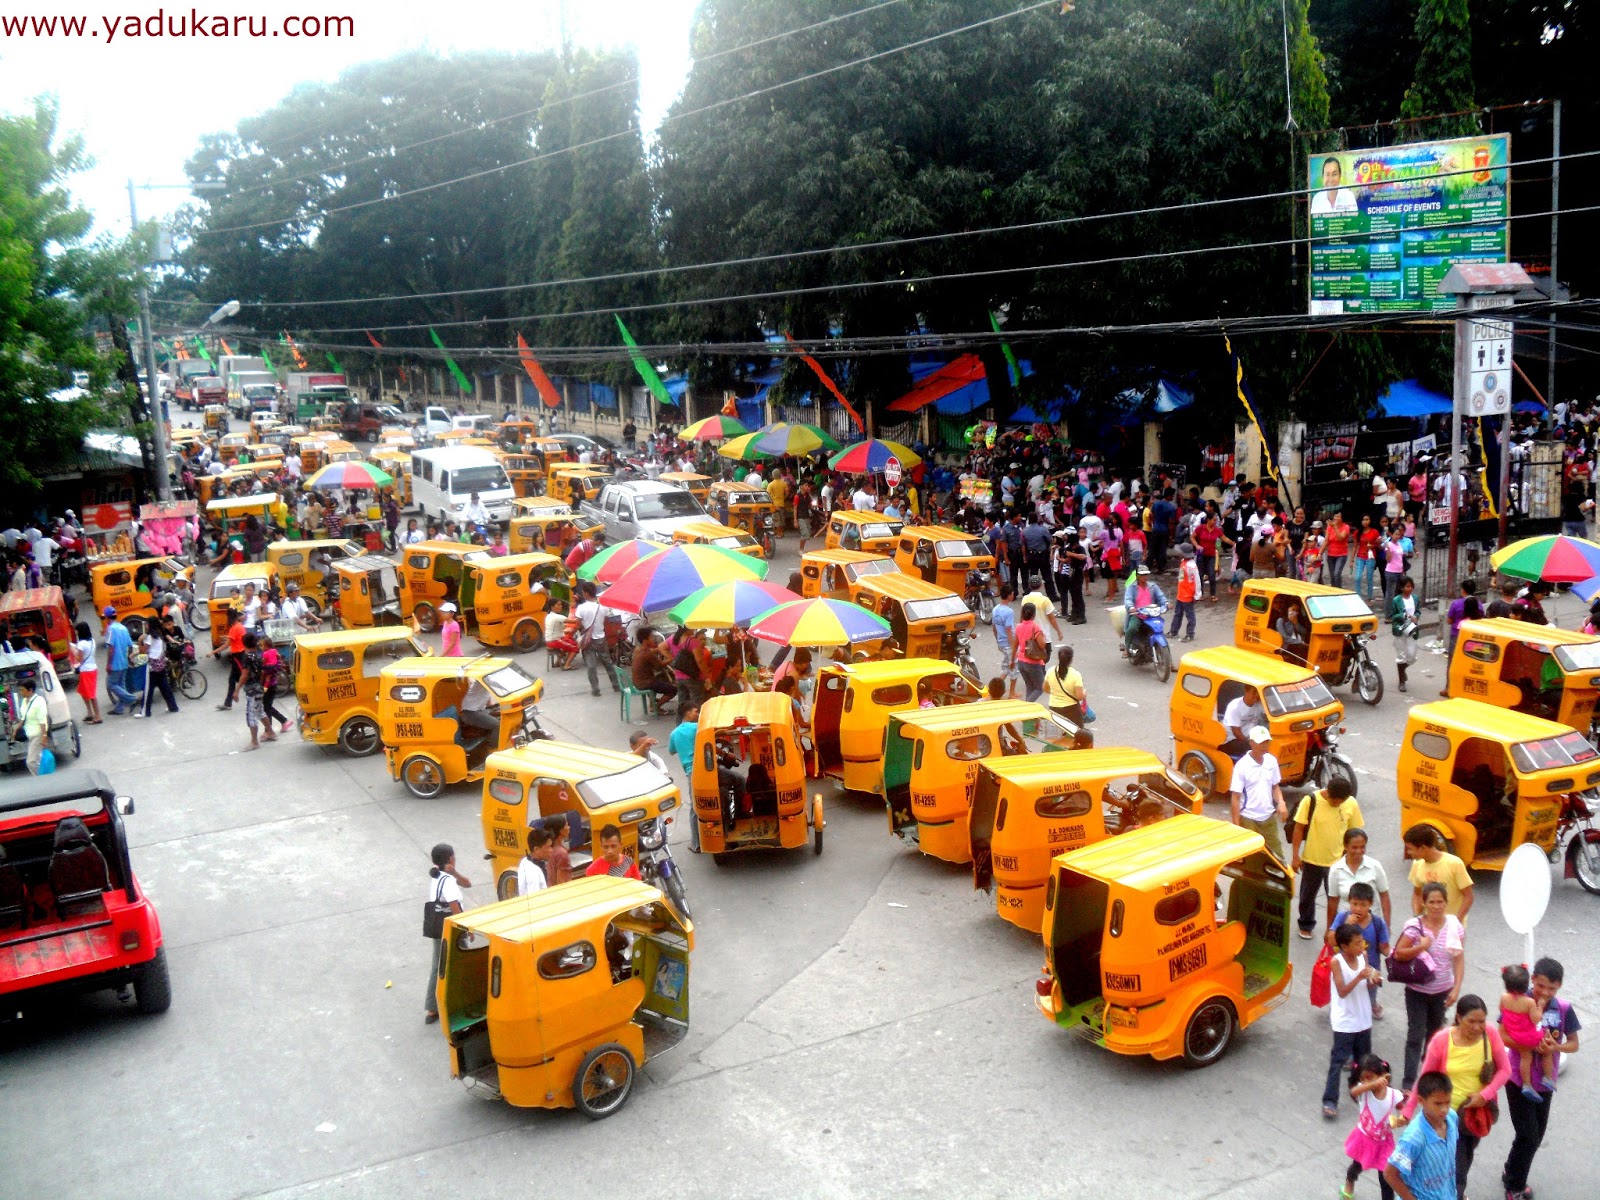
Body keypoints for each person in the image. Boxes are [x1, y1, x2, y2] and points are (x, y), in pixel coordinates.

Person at [1401, 995, 1511, 1198]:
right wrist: (1408, 1110)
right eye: (1472, 1021)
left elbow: (1505, 1070)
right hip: (1447, 1116)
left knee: (1465, 1158)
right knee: (1456, 1168)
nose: (1477, 1027)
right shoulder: (1442, 1041)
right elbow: (1425, 1077)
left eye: (1481, 1021)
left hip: (1475, 1115)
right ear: (1459, 1018)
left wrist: (1484, 1095)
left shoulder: (1490, 1034)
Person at [1501, 956, 1579, 1200]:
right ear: (1532, 979)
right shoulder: (1517, 1000)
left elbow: (1574, 1044)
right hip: (1518, 1080)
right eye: (1541, 985)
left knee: (1534, 1136)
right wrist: (1530, 1045)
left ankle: (1510, 1170)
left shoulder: (1563, 1008)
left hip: (1545, 1083)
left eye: (1552, 988)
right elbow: (1502, 1035)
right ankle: (1514, 1187)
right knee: (1529, 1136)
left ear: (1559, 986)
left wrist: (1555, 1047)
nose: (1545, 992)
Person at [1394, 882, 1466, 1091]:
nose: (1436, 906)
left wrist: (1456, 988)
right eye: (1432, 902)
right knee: (1415, 1035)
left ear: (1446, 902)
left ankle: (1428, 1076)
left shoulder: (1454, 926)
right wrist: (1421, 947)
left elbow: (1459, 959)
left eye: (1440, 902)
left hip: (1442, 991)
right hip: (1417, 991)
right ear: (1424, 904)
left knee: (1435, 1036)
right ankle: (1409, 1082)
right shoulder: (1414, 927)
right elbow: (1399, 953)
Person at [1290, 775, 1364, 939]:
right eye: (1335, 801)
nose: (1338, 804)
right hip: (1312, 860)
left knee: (1335, 898)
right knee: (1307, 896)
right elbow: (1298, 828)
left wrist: (1351, 857)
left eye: (1341, 802)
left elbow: (1354, 832)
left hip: (1337, 862)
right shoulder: (1310, 801)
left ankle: (1334, 929)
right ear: (1328, 792)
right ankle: (1306, 924)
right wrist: (1295, 856)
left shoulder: (1350, 803)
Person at [1323, 922, 1379, 1119]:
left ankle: (1356, 1087)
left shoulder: (1363, 957)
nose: (1361, 946)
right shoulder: (1336, 962)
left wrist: (1373, 980)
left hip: (1363, 1018)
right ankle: (1330, 1100)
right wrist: (1359, 977)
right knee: (1337, 1062)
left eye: (1361, 942)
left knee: (1363, 1061)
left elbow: (1369, 984)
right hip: (1345, 1021)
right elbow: (1342, 991)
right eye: (1357, 943)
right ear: (1344, 946)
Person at [1385, 1072, 1459, 1200]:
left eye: (1447, 1102)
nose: (1444, 1109)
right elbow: (1390, 1174)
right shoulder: (1414, 1138)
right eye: (1438, 1103)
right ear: (1421, 1100)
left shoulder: (1452, 1118)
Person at [1329, 881, 1391, 1018]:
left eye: (1363, 905)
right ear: (1349, 901)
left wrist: (1396, 956)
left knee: (1368, 998)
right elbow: (1331, 940)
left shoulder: (1377, 923)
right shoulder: (1343, 917)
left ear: (1370, 904)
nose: (1358, 909)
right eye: (1354, 904)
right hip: (1345, 969)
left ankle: (1371, 1006)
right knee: (1345, 996)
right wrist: (1345, 926)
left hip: (1369, 970)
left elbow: (1384, 947)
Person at [1342, 1054, 1399, 1200]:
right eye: (1363, 1079)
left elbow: (1402, 1108)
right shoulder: (1364, 1092)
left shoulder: (1393, 1094)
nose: (1366, 1082)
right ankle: (1349, 1182)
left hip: (1384, 1143)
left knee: (1386, 1177)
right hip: (1365, 1140)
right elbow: (1354, 1091)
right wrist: (1371, 1084)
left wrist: (1400, 1120)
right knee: (1357, 1167)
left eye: (1370, 1077)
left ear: (1383, 1075)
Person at [423, 843, 469, 1024]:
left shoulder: (437, 877)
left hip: (437, 926)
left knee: (438, 965)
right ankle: (462, 1002)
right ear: (450, 859)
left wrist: (454, 873)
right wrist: (465, 929)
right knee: (462, 964)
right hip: (451, 930)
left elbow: (468, 884)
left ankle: (432, 1007)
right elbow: (455, 908)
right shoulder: (448, 881)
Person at [1497, 964, 1555, 1104]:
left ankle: (1527, 1084)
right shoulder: (1529, 1002)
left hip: (1513, 1033)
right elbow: (1536, 1019)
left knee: (1525, 1057)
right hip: (1528, 1036)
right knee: (1547, 1049)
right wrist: (1540, 1006)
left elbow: (1501, 1009)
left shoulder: (1504, 997)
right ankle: (1548, 1077)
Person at [1229, 727, 1287, 861]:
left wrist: (1281, 802)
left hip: (1268, 817)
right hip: (1248, 818)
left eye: (1266, 742)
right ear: (1251, 743)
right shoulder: (1242, 766)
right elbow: (1236, 797)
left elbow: (1275, 787)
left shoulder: (1271, 761)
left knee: (1278, 858)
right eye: (1261, 743)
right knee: (1251, 858)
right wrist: (1236, 825)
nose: (1264, 746)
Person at [1326, 827, 1393, 931]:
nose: (1358, 851)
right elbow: (1333, 901)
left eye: (1362, 847)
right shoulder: (1336, 869)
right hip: (1346, 925)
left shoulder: (1375, 866)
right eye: (1354, 847)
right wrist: (1329, 929)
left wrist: (1386, 926)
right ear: (1345, 846)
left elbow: (1384, 896)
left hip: (1371, 925)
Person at [1403, 825, 1474, 921]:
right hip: (1429, 925)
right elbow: (1417, 894)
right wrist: (1417, 917)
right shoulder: (1417, 865)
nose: (1408, 852)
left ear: (1423, 848)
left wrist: (1457, 922)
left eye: (1410, 849)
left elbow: (1468, 896)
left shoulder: (1454, 864)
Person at [1120, 565, 1167, 657]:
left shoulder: (1153, 586)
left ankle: (1168, 659)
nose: (1144, 577)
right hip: (1138, 614)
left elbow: (1160, 596)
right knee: (1132, 628)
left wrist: (1166, 603)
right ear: (1137, 576)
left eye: (1146, 574)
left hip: (1151, 615)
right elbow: (1128, 599)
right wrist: (1131, 607)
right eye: (1142, 575)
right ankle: (1127, 648)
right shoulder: (1131, 587)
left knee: (1159, 630)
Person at [136, 623, 179, 717]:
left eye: (147, 624)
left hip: (152, 667)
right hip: (161, 665)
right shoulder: (159, 636)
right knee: (165, 687)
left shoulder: (149, 638)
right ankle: (173, 706)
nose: (146, 626)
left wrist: (140, 640)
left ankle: (145, 711)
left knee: (148, 690)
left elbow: (143, 651)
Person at [239, 630, 271, 750]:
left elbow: (244, 675)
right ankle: (271, 732)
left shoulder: (247, 657)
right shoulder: (258, 655)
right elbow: (262, 672)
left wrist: (237, 689)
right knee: (260, 712)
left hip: (251, 689)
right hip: (258, 687)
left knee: (251, 715)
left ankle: (254, 741)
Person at [11, 678, 50, 775]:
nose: (20, 692)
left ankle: (40, 779)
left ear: (30, 690)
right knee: (37, 759)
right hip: (30, 734)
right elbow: (24, 717)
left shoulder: (39, 701)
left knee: (31, 762)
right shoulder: (25, 701)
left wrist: (44, 736)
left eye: (22, 690)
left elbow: (42, 721)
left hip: (38, 734)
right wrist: (16, 729)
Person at [1012, 601, 1049, 704]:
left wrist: (1012, 660)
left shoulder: (1018, 626)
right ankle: (1026, 707)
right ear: (1034, 614)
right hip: (1033, 662)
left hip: (1021, 661)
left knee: (1030, 687)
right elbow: (1042, 644)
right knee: (1040, 688)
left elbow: (1015, 645)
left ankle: (1028, 710)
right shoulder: (1035, 627)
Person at [631, 629, 677, 707]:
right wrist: (671, 658)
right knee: (673, 690)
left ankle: (652, 703)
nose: (654, 639)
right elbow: (659, 666)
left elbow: (653, 651)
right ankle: (656, 707)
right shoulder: (648, 654)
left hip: (637, 681)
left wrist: (660, 649)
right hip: (645, 683)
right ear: (645, 640)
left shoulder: (638, 649)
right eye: (651, 637)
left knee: (657, 679)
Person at [1220, 684, 1266, 759]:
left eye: (1259, 692)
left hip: (1249, 737)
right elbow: (1236, 732)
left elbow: (1269, 716)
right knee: (1258, 749)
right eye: (1254, 692)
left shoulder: (1259, 704)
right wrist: (1251, 744)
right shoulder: (1235, 706)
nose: (1257, 695)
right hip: (1232, 740)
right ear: (1246, 691)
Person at [1043, 645, 1087, 723]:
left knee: (1057, 730)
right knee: (1076, 730)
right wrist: (1084, 694)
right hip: (1071, 709)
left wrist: (1056, 692)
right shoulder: (1075, 675)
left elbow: (1045, 688)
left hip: (1054, 707)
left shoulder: (1051, 671)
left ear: (1058, 658)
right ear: (1071, 659)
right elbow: (1080, 696)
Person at [1390, 576, 1420, 693]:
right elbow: (1393, 616)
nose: (1409, 589)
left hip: (1412, 629)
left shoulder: (1415, 598)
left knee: (1412, 655)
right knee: (1401, 656)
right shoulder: (1396, 600)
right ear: (1402, 588)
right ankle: (1401, 681)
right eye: (1407, 586)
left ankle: (1403, 670)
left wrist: (1416, 617)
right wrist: (1403, 616)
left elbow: (1418, 611)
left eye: (1411, 586)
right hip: (1400, 630)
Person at [213, 607, 247, 710]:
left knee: (241, 679)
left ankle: (229, 703)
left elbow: (226, 645)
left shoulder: (234, 629)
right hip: (241, 655)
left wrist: (213, 652)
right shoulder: (240, 626)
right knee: (234, 680)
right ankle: (228, 703)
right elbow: (234, 640)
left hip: (237, 657)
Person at [990, 585, 1019, 699]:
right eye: (1012, 594)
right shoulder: (1009, 612)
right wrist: (1014, 646)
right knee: (1014, 666)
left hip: (1001, 642)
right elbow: (1008, 629)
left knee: (1006, 666)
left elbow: (994, 627)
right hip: (1008, 643)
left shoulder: (995, 609)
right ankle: (1011, 693)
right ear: (1009, 596)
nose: (1013, 595)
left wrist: (997, 640)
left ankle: (995, 689)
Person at [71, 621, 101, 724]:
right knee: (84, 692)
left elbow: (79, 658)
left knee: (90, 694)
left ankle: (97, 715)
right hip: (92, 668)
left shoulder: (81, 644)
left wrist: (73, 650)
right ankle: (90, 713)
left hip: (86, 670)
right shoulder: (92, 641)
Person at [1172, 544, 1199, 641]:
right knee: (1177, 613)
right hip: (1181, 593)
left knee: (1190, 616)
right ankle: (1173, 631)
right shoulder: (1183, 562)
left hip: (1188, 595)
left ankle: (1190, 634)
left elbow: (1197, 581)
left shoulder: (1191, 566)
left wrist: (1197, 595)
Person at [516, 828, 552, 895]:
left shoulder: (525, 861)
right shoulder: (533, 872)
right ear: (537, 849)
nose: (551, 850)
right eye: (548, 847)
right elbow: (534, 897)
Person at [1275, 602, 1310, 666]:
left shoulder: (1297, 620)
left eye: (1297, 610)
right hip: (1286, 646)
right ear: (1287, 609)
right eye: (1293, 609)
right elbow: (1284, 637)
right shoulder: (1281, 620)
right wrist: (1300, 642)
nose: (1295, 612)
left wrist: (1296, 623)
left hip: (1298, 645)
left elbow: (1304, 632)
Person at [544, 814, 574, 885]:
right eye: (566, 825)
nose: (569, 827)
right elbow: (562, 883)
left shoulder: (548, 849)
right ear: (561, 831)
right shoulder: (561, 854)